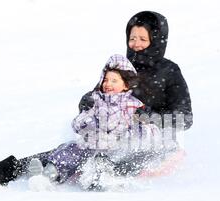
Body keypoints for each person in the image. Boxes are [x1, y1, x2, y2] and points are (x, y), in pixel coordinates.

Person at [0, 55, 161, 189]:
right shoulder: (94, 99)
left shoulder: (135, 105)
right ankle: (6, 171)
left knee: (94, 160)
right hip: (88, 146)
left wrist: (138, 126)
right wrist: (88, 113)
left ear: (126, 85)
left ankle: (100, 180)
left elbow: (151, 130)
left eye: (114, 80)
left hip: (115, 154)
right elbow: (79, 123)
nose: (108, 84)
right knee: (61, 151)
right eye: (106, 79)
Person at [78, 11, 193, 177]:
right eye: (132, 38)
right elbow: (101, 92)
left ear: (156, 40)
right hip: (114, 133)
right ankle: (41, 166)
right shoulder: (122, 67)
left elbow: (186, 117)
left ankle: (110, 174)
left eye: (143, 39)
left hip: (151, 139)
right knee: (77, 148)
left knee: (140, 151)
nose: (136, 44)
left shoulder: (169, 71)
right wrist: (89, 102)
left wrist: (149, 117)